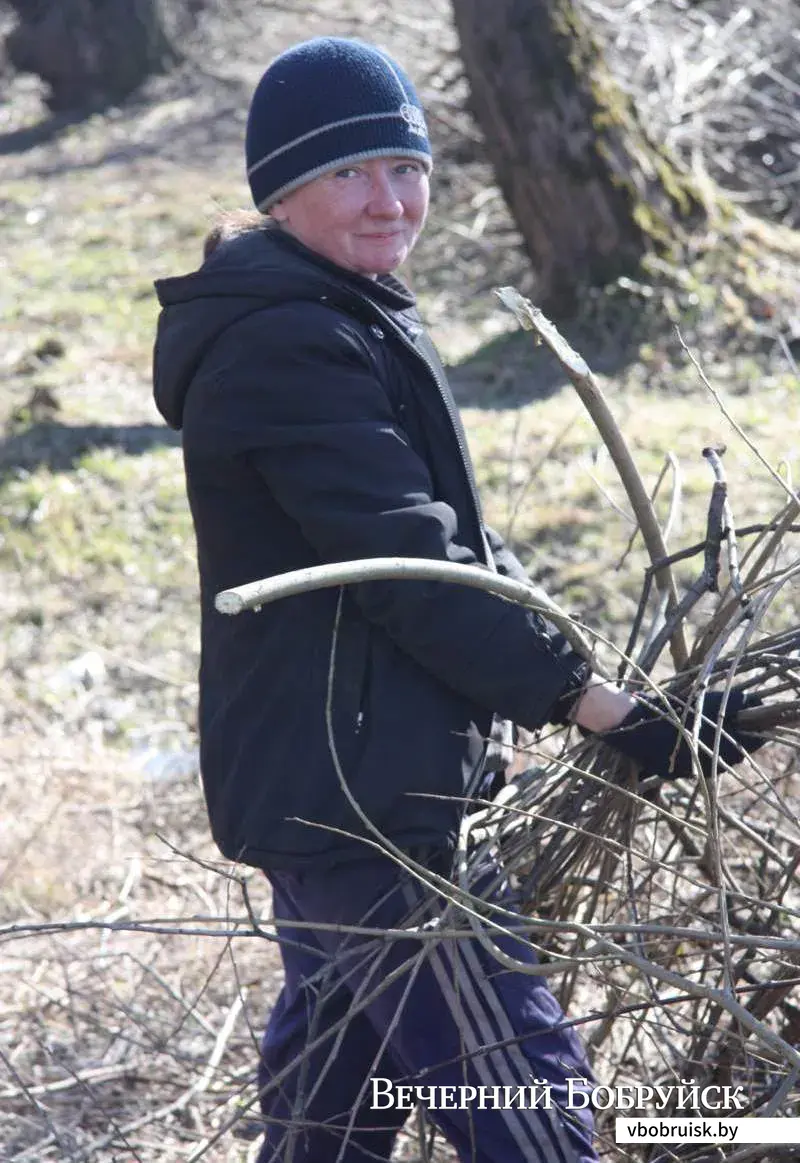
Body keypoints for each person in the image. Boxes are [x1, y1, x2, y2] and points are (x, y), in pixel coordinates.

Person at [152, 37, 764, 1163]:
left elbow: (458, 547)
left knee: (333, 1110)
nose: (388, 199)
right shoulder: (288, 341)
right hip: (371, 806)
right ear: (280, 192)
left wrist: (586, 683)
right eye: (346, 173)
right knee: (530, 1110)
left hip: (334, 785)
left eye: (403, 164)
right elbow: (405, 562)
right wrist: (595, 706)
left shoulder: (341, 307)